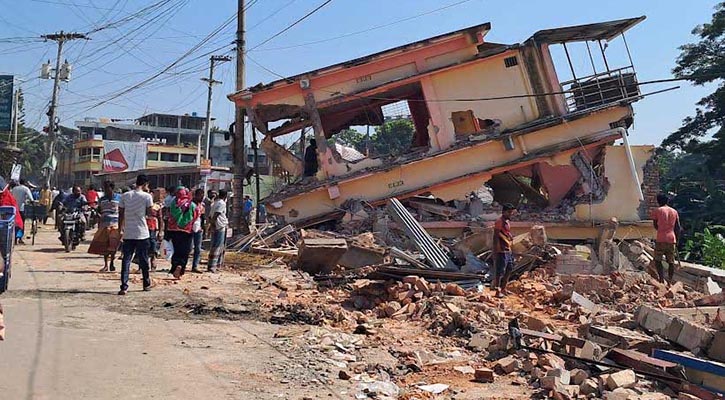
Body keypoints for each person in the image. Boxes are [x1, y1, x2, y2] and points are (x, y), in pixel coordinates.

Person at [118, 175, 153, 295]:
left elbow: (121, 214)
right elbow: (149, 213)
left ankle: (124, 286)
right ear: (145, 184)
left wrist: (120, 229)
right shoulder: (147, 196)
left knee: (126, 259)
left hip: (128, 232)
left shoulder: (125, 195)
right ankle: (146, 283)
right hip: (142, 232)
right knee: (143, 259)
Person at [166, 187, 200, 279]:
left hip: (174, 231)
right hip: (187, 231)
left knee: (176, 250)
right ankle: (181, 268)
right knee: (185, 251)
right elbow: (196, 216)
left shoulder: (173, 204)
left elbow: (169, 215)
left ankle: (175, 266)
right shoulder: (192, 205)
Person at [89, 181, 122, 272]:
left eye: (107, 188)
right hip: (104, 225)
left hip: (115, 225)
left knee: (113, 245)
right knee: (105, 245)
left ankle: (112, 262)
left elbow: (122, 211)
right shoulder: (102, 199)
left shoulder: (120, 198)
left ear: (112, 188)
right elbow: (99, 210)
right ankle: (106, 264)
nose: (106, 190)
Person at [651, 193, 682, 284]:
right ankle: (669, 281)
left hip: (661, 238)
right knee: (671, 261)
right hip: (672, 238)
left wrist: (661, 229)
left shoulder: (657, 211)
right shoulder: (674, 211)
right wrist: (677, 239)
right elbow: (678, 227)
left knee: (657, 260)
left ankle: (661, 279)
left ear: (658, 201)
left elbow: (655, 225)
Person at [492, 203, 516, 298]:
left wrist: (510, 236)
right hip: (501, 250)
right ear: (504, 212)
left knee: (509, 269)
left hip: (508, 249)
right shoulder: (499, 221)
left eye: (511, 212)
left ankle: (504, 288)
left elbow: (506, 233)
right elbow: (495, 236)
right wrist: (495, 250)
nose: (510, 214)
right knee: (500, 271)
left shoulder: (507, 222)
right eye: (509, 212)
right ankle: (497, 290)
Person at [207, 189, 228, 273]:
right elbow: (216, 214)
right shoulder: (221, 203)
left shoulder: (215, 203)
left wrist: (211, 225)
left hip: (215, 226)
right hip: (219, 226)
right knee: (217, 246)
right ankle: (213, 266)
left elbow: (210, 216)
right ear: (225, 196)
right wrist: (213, 225)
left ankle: (213, 265)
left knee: (215, 246)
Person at [145, 188, 164, 272]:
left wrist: (160, 231)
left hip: (152, 227)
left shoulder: (157, 206)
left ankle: (153, 261)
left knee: (152, 244)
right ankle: (142, 265)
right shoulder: (142, 205)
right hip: (142, 227)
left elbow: (160, 219)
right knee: (143, 245)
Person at [11, 179, 33, 244]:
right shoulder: (25, 189)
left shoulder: (14, 189)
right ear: (25, 183)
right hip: (21, 209)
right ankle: (20, 238)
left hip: (14, 209)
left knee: (14, 223)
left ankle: (14, 239)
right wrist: (32, 201)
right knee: (21, 224)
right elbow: (31, 198)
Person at [190, 188, 205, 274]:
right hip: (190, 228)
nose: (202, 197)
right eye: (200, 196)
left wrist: (203, 227)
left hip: (198, 229)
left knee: (198, 248)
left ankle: (195, 266)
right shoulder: (190, 204)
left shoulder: (201, 205)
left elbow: (202, 217)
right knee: (188, 248)